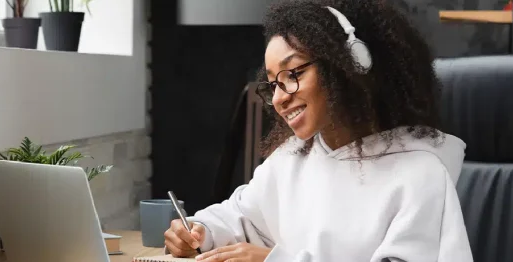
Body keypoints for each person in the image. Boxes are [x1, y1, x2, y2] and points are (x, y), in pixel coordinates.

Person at [164, 0, 474, 261]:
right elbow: (239, 217)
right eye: (272, 84)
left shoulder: (420, 174)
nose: (279, 97)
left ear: (348, 64)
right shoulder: (289, 162)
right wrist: (198, 230)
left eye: (294, 73)